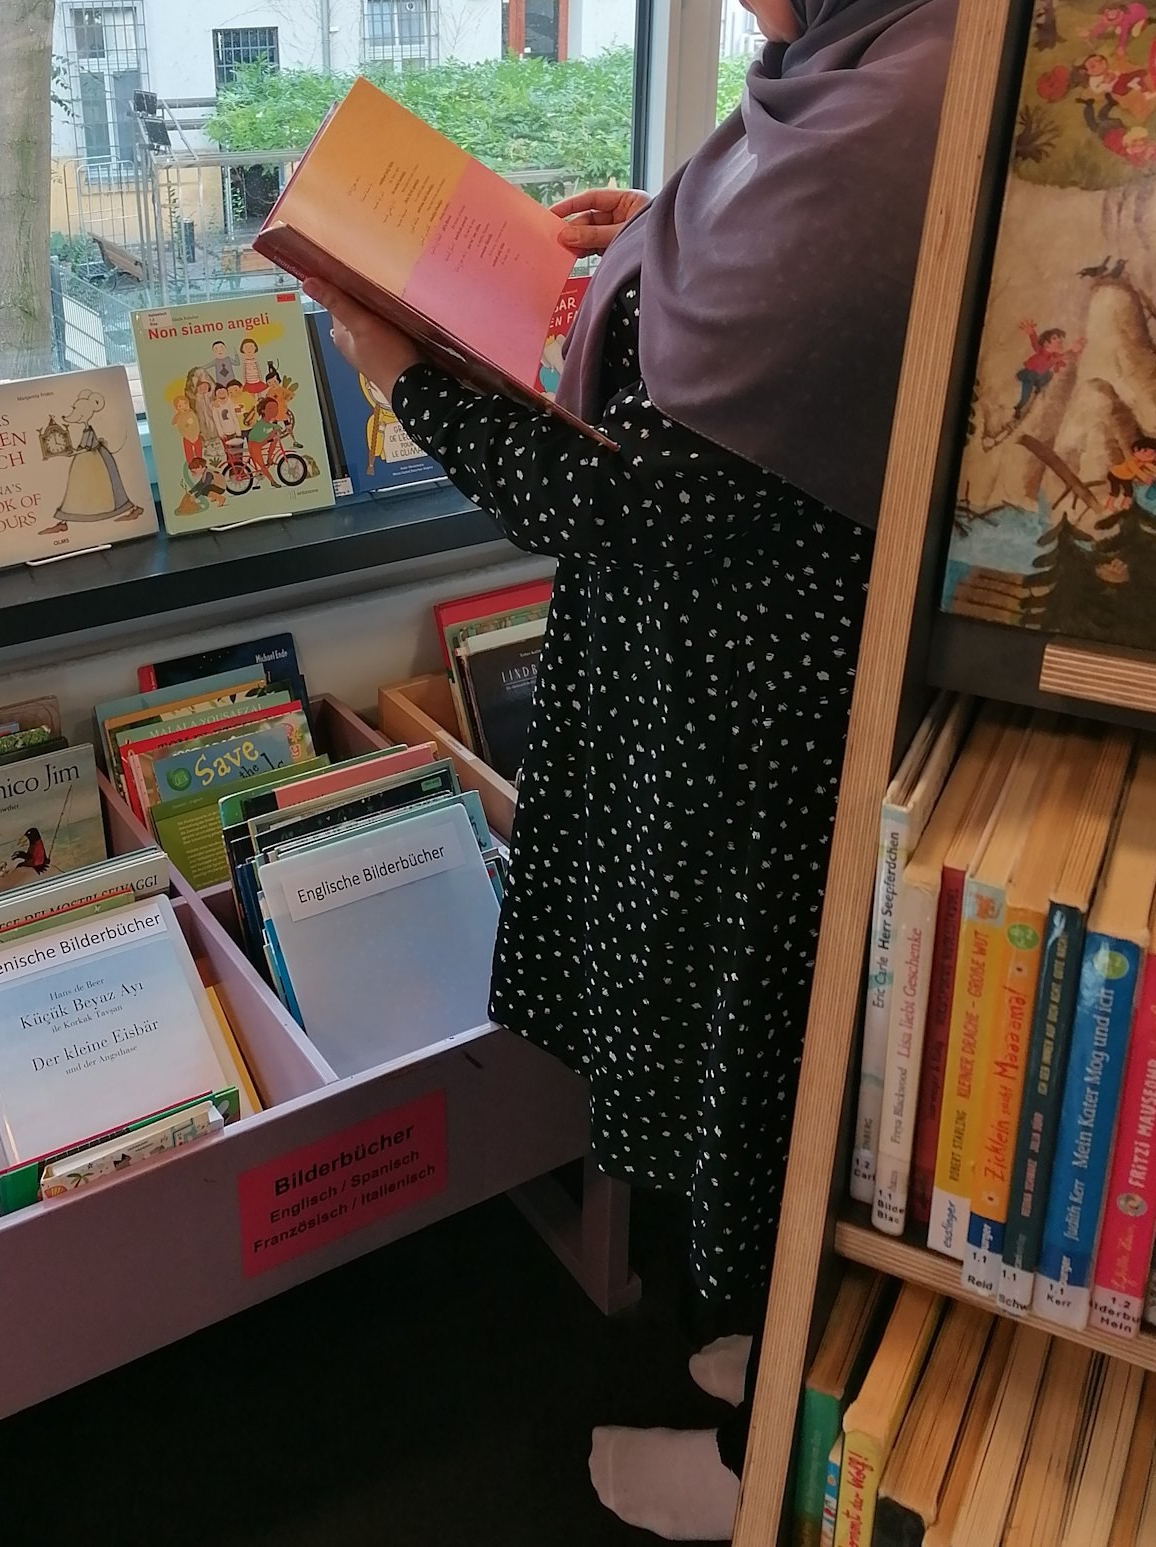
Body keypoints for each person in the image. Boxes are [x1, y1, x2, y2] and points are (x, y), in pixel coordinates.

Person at [307, 0, 955, 1537]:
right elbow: (800, 305)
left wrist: (405, 371)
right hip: (737, 693)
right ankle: (763, 1345)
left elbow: (636, 504)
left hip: (766, 721)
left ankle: (761, 1470)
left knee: (762, 1054)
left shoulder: (894, 126)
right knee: (749, 1047)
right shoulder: (881, 64)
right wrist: (667, 229)